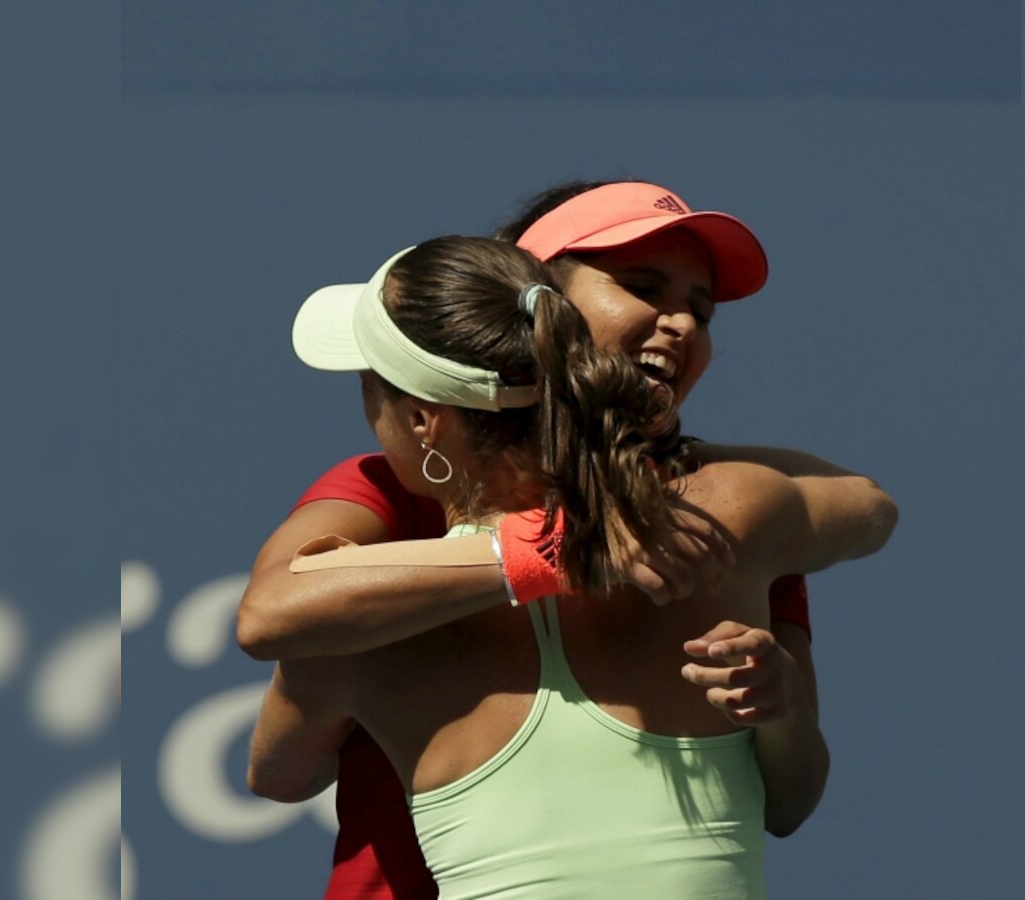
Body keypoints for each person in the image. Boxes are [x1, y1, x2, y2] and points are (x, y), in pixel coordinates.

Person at [238, 180, 867, 898]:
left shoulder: (711, 509)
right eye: (642, 286)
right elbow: (272, 615)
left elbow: (276, 764)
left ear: (421, 420)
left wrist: (648, 491)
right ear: (539, 303)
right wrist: (571, 545)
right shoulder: (721, 520)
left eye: (699, 307)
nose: (682, 324)